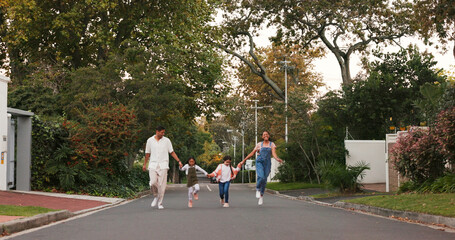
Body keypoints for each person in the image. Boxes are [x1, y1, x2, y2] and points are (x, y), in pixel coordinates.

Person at [142, 126, 183, 210]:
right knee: (153, 182)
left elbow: (172, 152)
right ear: (157, 131)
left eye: (164, 132)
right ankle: (155, 196)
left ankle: (160, 203)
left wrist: (179, 161)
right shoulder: (150, 140)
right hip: (153, 164)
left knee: (162, 185)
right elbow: (147, 153)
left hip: (163, 165)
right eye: (162, 132)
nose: (163, 134)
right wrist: (144, 164)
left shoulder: (167, 141)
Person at [242, 131, 283, 205]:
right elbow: (252, 153)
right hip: (259, 162)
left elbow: (273, 153)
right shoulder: (259, 144)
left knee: (264, 180)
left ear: (269, 136)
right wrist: (244, 160)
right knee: (261, 176)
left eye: (267, 134)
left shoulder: (272, 144)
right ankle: (257, 189)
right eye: (264, 135)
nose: (265, 135)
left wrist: (277, 159)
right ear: (262, 136)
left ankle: (261, 196)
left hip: (267, 163)